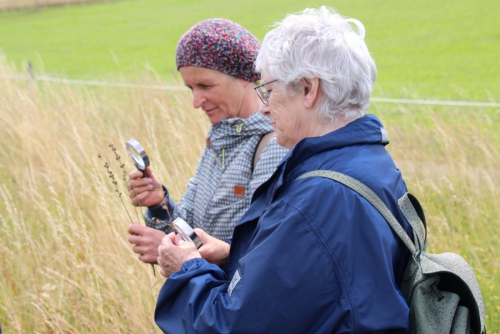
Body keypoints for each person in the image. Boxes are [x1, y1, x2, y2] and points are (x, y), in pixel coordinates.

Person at [154, 6, 413, 333]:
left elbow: (233, 325)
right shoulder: (371, 163)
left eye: (269, 90)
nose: (262, 106)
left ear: (308, 89)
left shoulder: (315, 202)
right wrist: (227, 257)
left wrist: (186, 268)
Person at [127, 19, 288, 265]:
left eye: (205, 85)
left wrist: (175, 253)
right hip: (208, 301)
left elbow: (268, 254)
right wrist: (160, 205)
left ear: (244, 75)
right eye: (190, 87)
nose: (196, 101)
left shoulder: (275, 145)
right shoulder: (219, 139)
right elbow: (190, 226)